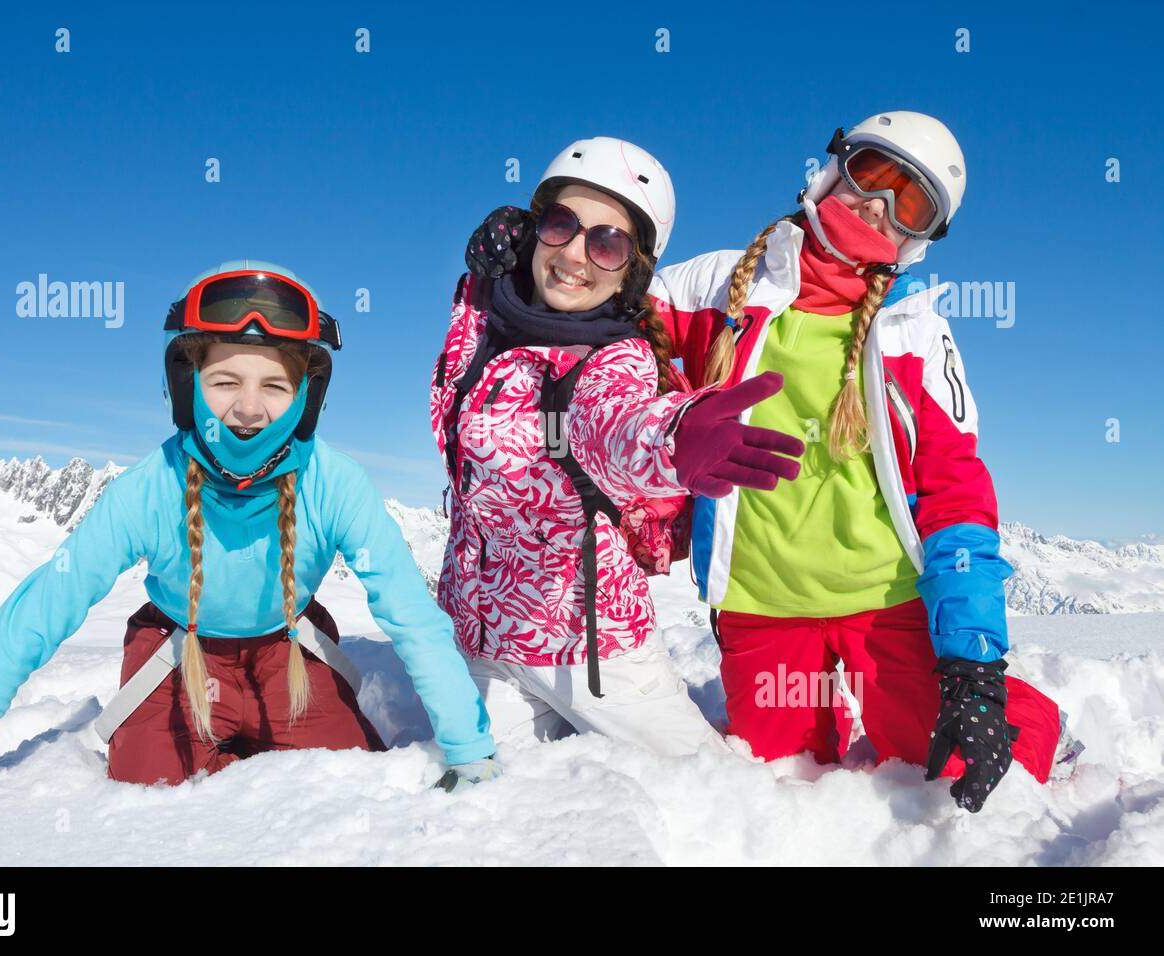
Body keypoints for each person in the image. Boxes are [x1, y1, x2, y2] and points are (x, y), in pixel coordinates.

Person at [0, 261, 496, 842]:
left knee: (348, 787)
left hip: (292, 656)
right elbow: (40, 611)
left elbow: (411, 614)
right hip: (179, 656)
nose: (249, 408)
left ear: (307, 394)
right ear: (188, 384)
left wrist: (469, 752)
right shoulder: (150, 488)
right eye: (225, 380)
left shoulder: (337, 485)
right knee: (149, 798)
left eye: (274, 386)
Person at [645, 112, 1066, 811]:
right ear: (834, 167)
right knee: (777, 782)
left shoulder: (917, 333)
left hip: (885, 604)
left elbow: (956, 492)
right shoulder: (716, 289)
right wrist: (527, 272)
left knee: (958, 758)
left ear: (920, 240)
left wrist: (972, 667)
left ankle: (1049, 725)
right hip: (763, 602)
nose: (880, 204)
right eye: (874, 174)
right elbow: (603, 305)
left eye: (912, 202)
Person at [434, 138, 804, 755]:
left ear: (631, 268)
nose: (577, 254)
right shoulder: (482, 317)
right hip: (485, 646)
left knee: (715, 802)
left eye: (607, 242)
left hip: (597, 655)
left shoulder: (614, 357)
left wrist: (675, 438)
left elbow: (616, 424)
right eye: (560, 225)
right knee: (463, 810)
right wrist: (485, 269)